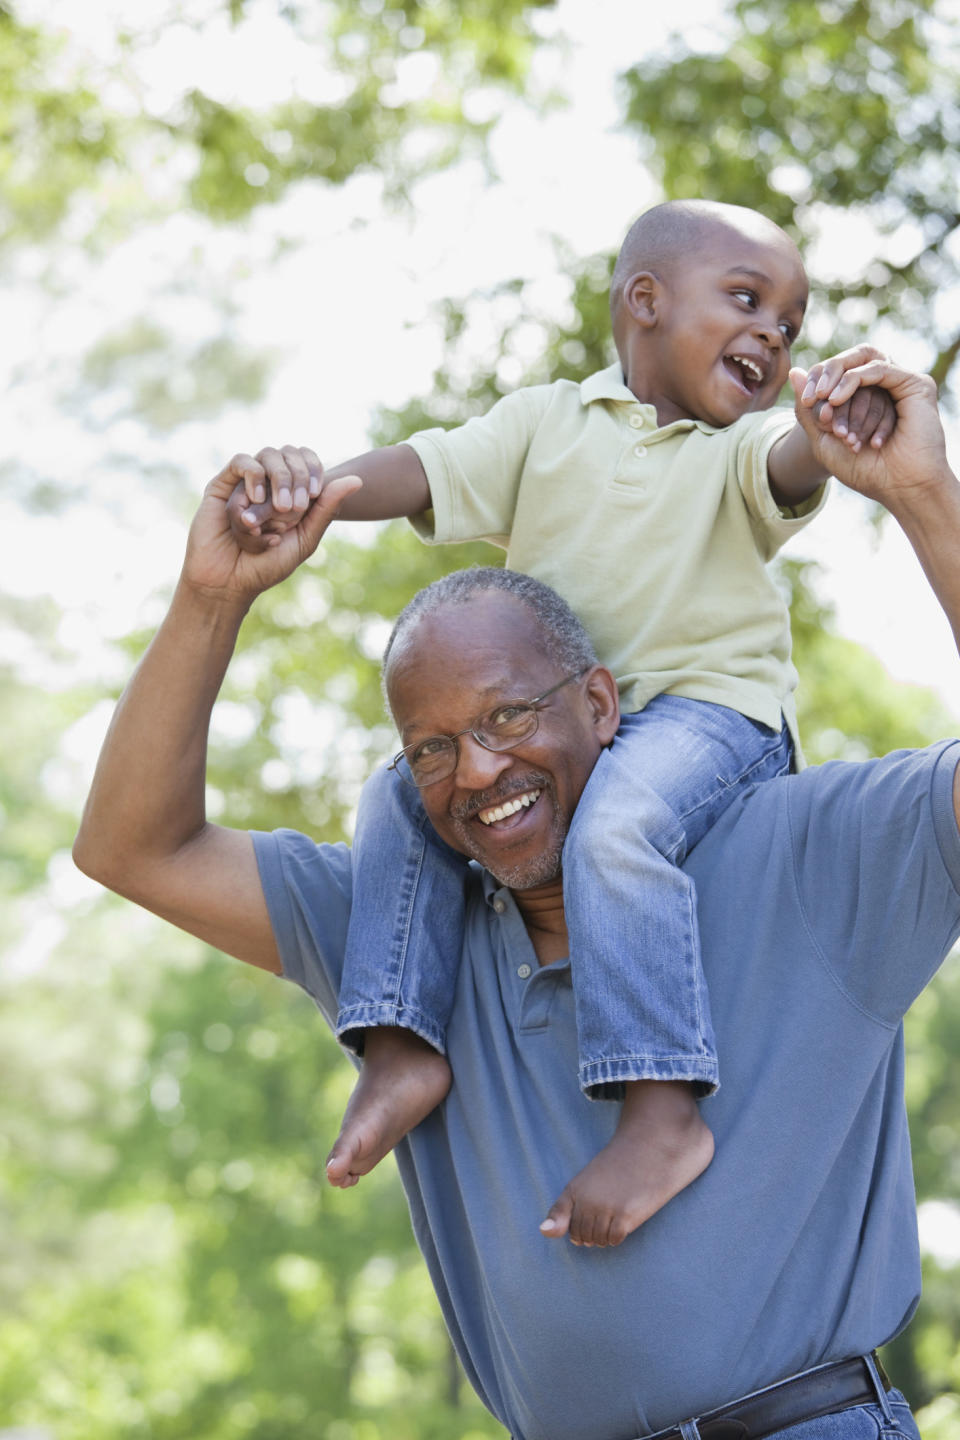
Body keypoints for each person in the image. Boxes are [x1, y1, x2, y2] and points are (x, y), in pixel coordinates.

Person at [74, 356, 960, 1440]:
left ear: (599, 703)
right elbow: (131, 846)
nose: (480, 773)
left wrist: (922, 497)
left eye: (506, 719)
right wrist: (211, 600)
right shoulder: (401, 934)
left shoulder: (808, 855)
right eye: (433, 751)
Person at [227, 199, 899, 1244]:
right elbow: (429, 471)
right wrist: (319, 494)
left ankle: (662, 1106)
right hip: (575, 728)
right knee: (398, 792)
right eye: (746, 300)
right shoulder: (545, 424)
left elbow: (789, 469)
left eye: (792, 325)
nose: (774, 334)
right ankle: (402, 1040)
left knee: (616, 830)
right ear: (644, 301)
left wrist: (827, 437)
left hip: (707, 717)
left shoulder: (737, 453)